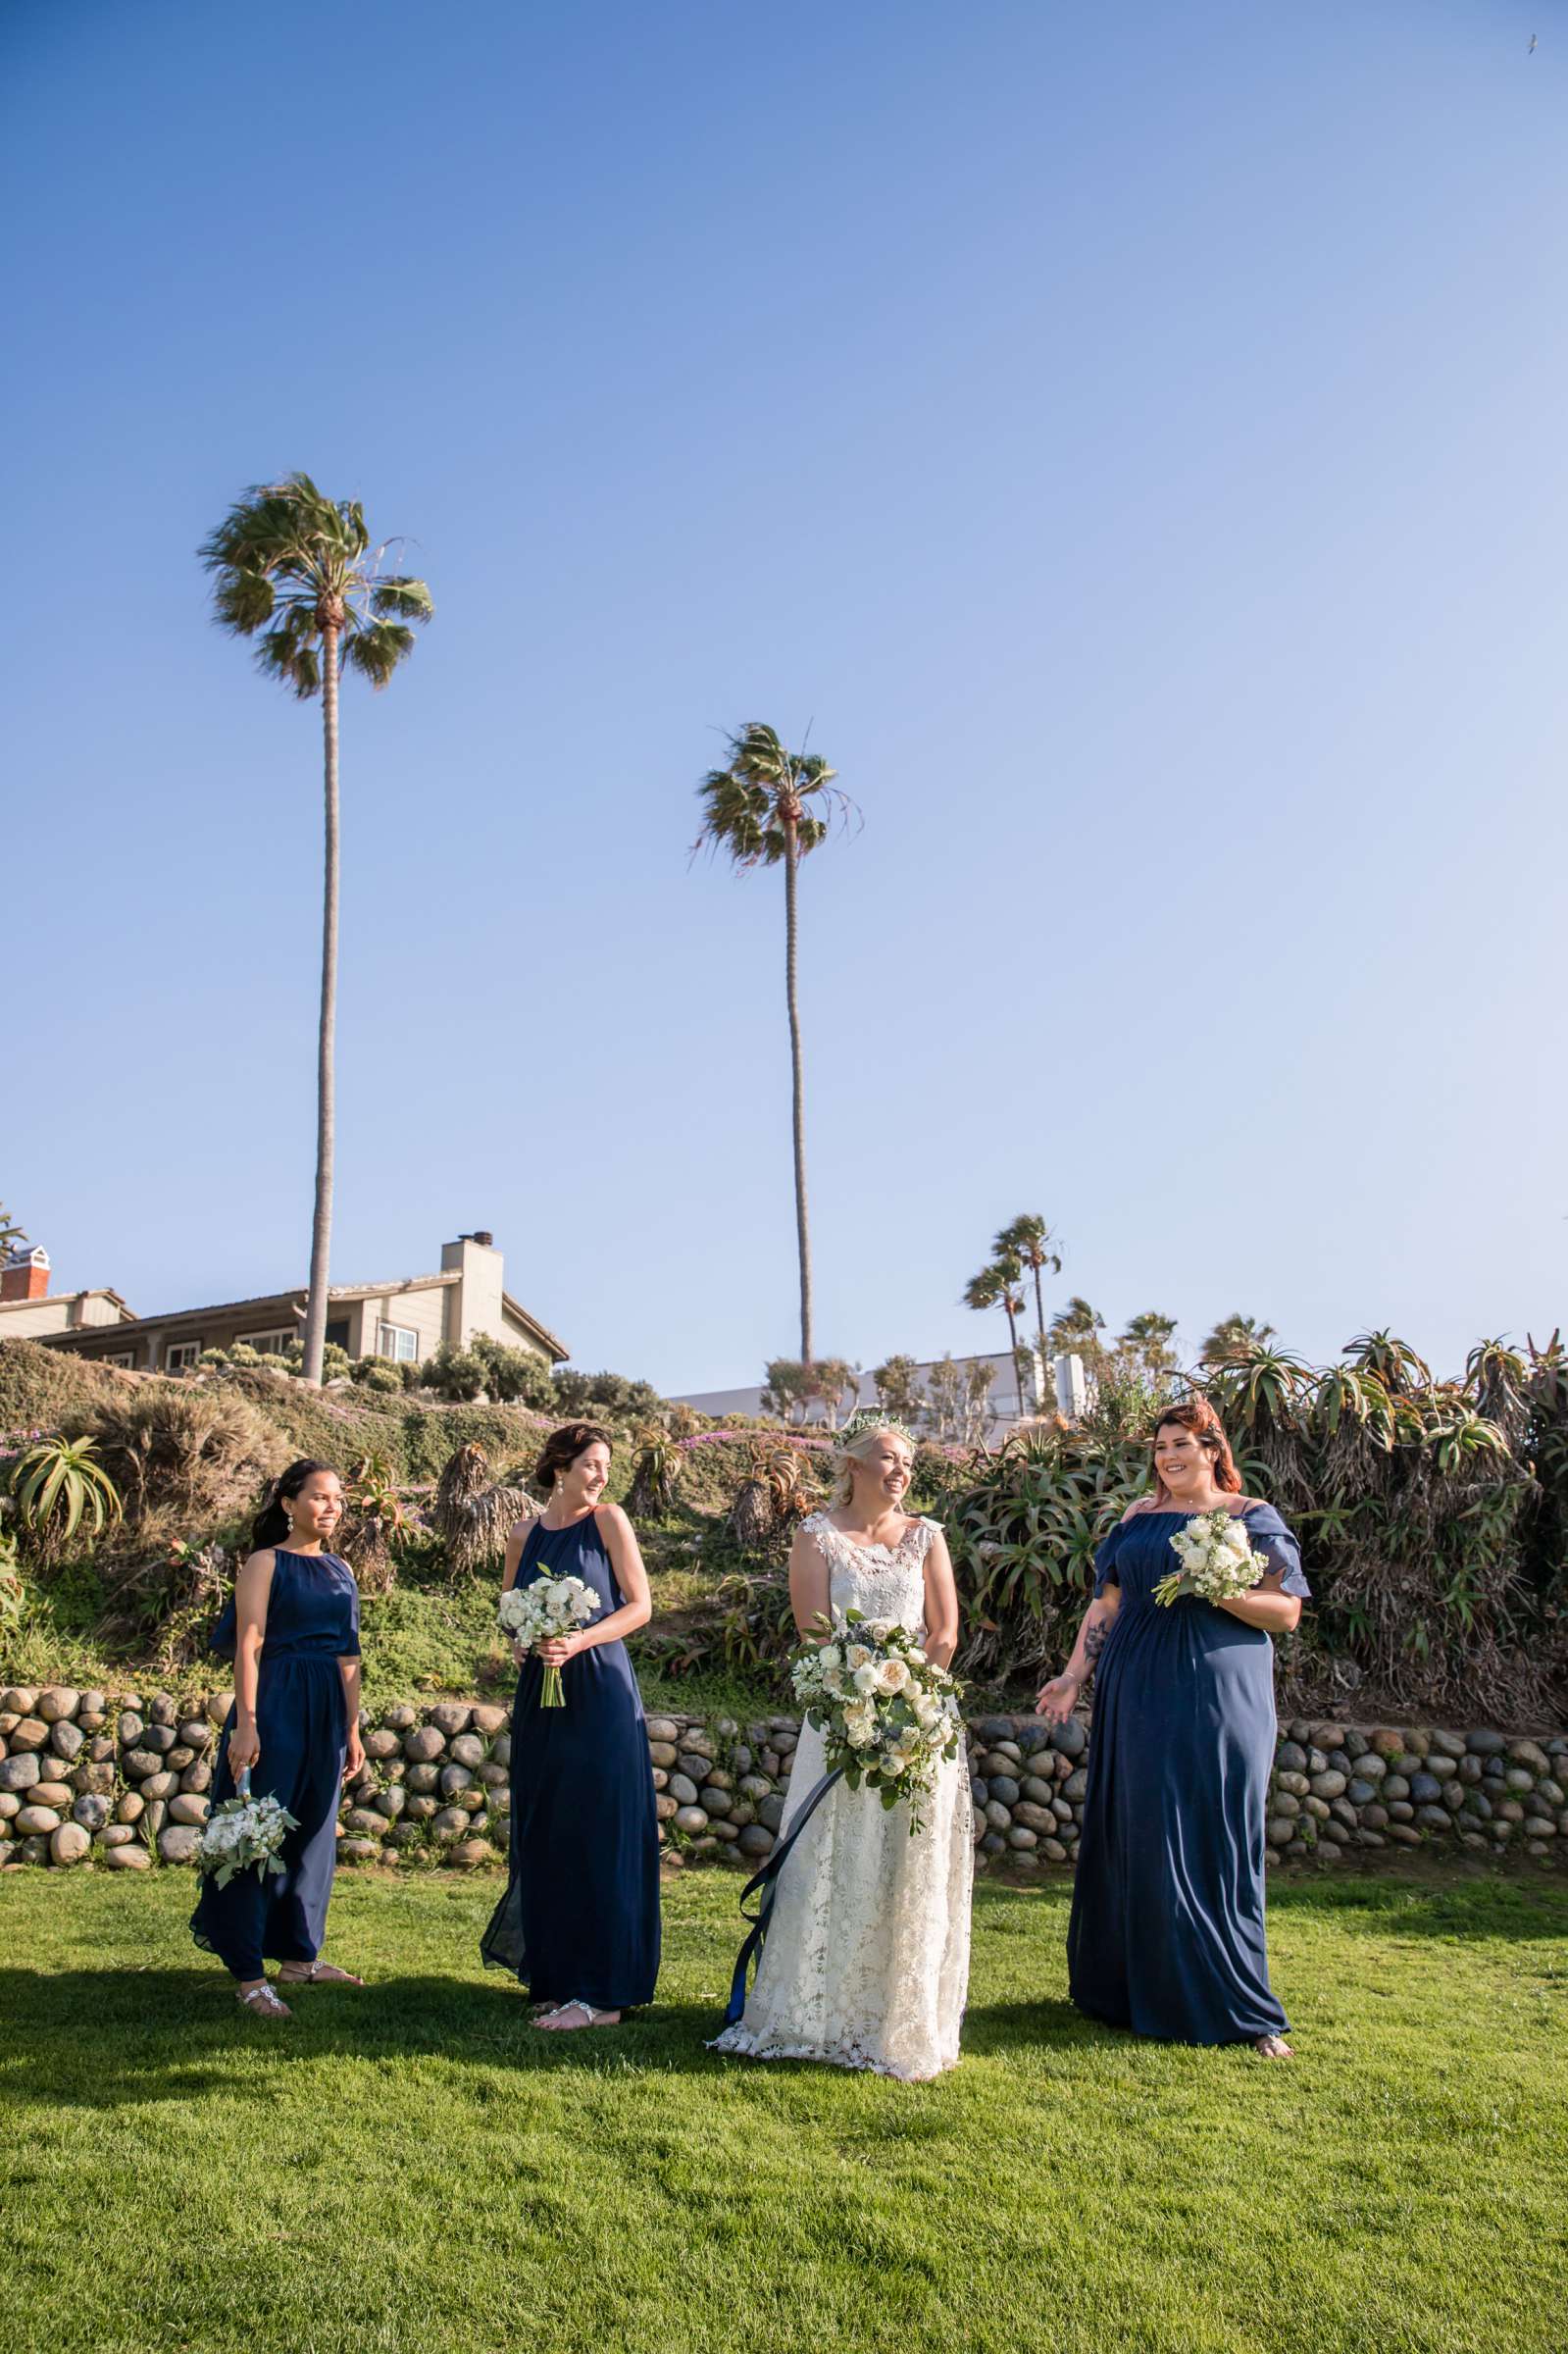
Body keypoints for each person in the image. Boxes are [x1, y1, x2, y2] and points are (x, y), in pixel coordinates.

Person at [1038, 1397, 1308, 2056]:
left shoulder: (1251, 1517)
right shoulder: (1136, 1518)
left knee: (1215, 1828)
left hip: (1218, 1685)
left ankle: (1241, 2006)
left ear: (1212, 1452)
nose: (1167, 1458)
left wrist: (1221, 1590)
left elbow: (1285, 1613)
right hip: (1134, 1684)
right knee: (1141, 1829)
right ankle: (1134, 1989)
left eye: (1180, 1446)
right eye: (1159, 1448)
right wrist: (1074, 1676)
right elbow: (1107, 1603)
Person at [711, 1413, 972, 2080]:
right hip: (841, 1718)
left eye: (908, 1461)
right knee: (834, 1857)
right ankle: (812, 2013)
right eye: (887, 1458)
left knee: (906, 1862)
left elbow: (943, 1632)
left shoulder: (926, 1537)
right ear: (852, 1465)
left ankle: (896, 2019)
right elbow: (813, 1634)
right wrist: (857, 1699)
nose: (900, 1471)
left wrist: (913, 1700)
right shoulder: (816, 1536)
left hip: (918, 1721)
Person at [480, 1422, 660, 2028]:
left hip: (600, 1689)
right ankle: (558, 1976)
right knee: (549, 1825)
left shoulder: (608, 1520)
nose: (601, 1475)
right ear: (559, 1466)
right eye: (591, 1464)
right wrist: (522, 1646)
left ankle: (603, 1993)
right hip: (542, 1693)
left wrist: (578, 1639)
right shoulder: (522, 1533)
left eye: (606, 1465)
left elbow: (640, 1606)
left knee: (599, 1826)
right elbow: (511, 1614)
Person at [191, 1458, 365, 2017]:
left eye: (337, 1498)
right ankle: (247, 1975)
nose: (331, 1507)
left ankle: (299, 1956)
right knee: (254, 1827)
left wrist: (353, 1729)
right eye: (320, 1497)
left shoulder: (342, 1571)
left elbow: (349, 1655)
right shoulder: (264, 1564)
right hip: (278, 1702)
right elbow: (248, 1645)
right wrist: (247, 1722)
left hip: (327, 1712)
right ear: (289, 1504)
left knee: (314, 1829)